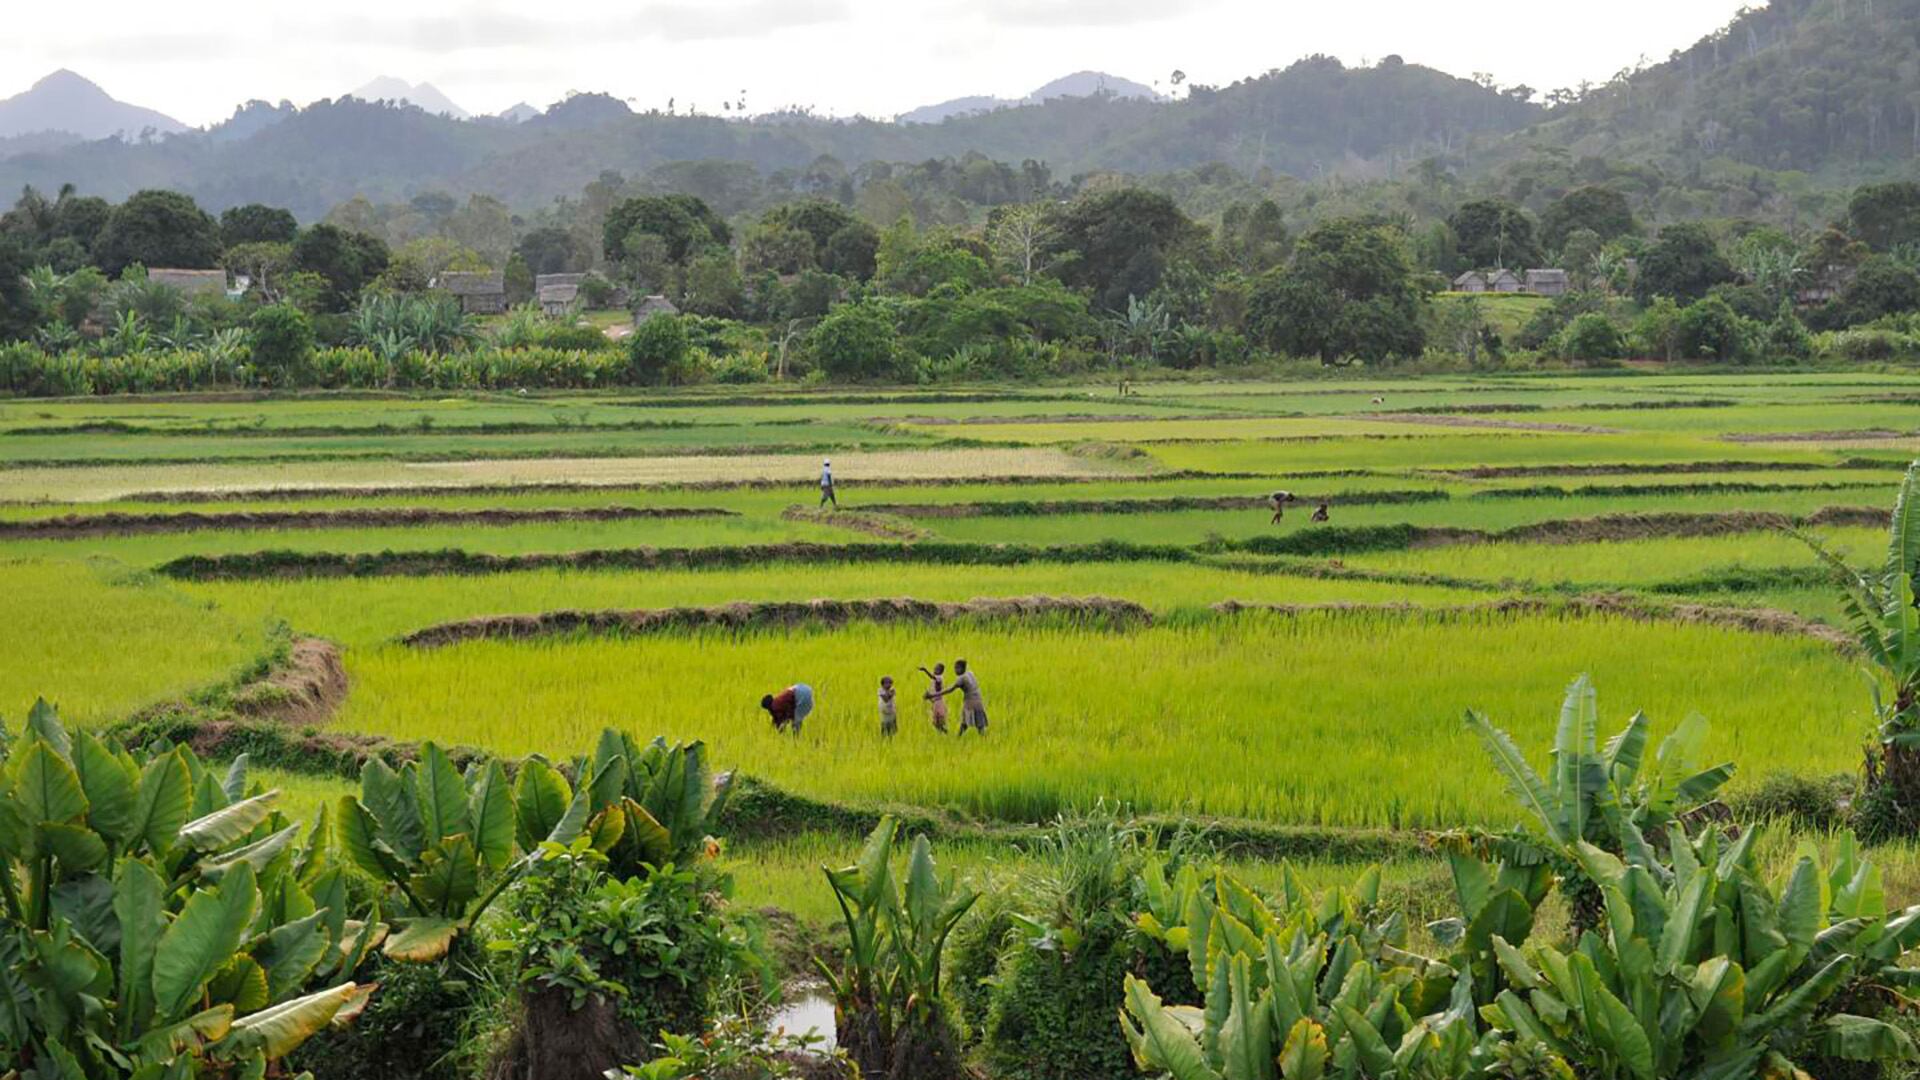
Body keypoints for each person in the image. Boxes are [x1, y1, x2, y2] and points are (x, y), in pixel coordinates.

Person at [931, 659, 987, 736]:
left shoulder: (961, 679)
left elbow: (949, 689)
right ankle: (980, 737)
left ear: (961, 668)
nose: (955, 670)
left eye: (956, 668)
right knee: (979, 722)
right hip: (978, 700)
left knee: (965, 720)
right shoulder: (970, 673)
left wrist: (933, 695)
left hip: (970, 701)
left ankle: (958, 737)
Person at [919, 662, 950, 733]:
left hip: (939, 703)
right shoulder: (935, 680)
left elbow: (932, 676)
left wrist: (925, 670)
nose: (935, 670)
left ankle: (945, 732)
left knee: (938, 721)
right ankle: (943, 733)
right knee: (935, 723)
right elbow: (933, 691)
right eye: (934, 669)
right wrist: (928, 696)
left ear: (941, 672)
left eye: (937, 669)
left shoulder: (939, 678)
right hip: (935, 703)